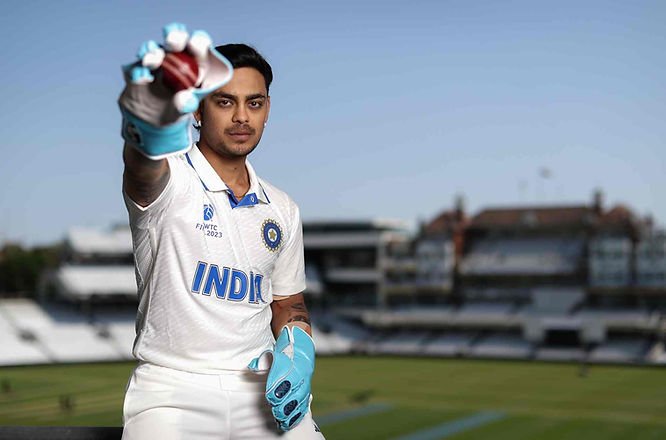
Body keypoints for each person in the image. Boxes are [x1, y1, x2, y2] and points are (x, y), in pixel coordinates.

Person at [118, 23, 324, 439]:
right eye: (225, 101)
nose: (242, 117)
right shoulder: (171, 177)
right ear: (196, 109)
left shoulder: (283, 208)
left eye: (255, 102)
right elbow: (142, 172)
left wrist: (298, 347)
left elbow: (287, 301)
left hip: (261, 387)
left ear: (268, 108)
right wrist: (149, 125)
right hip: (172, 389)